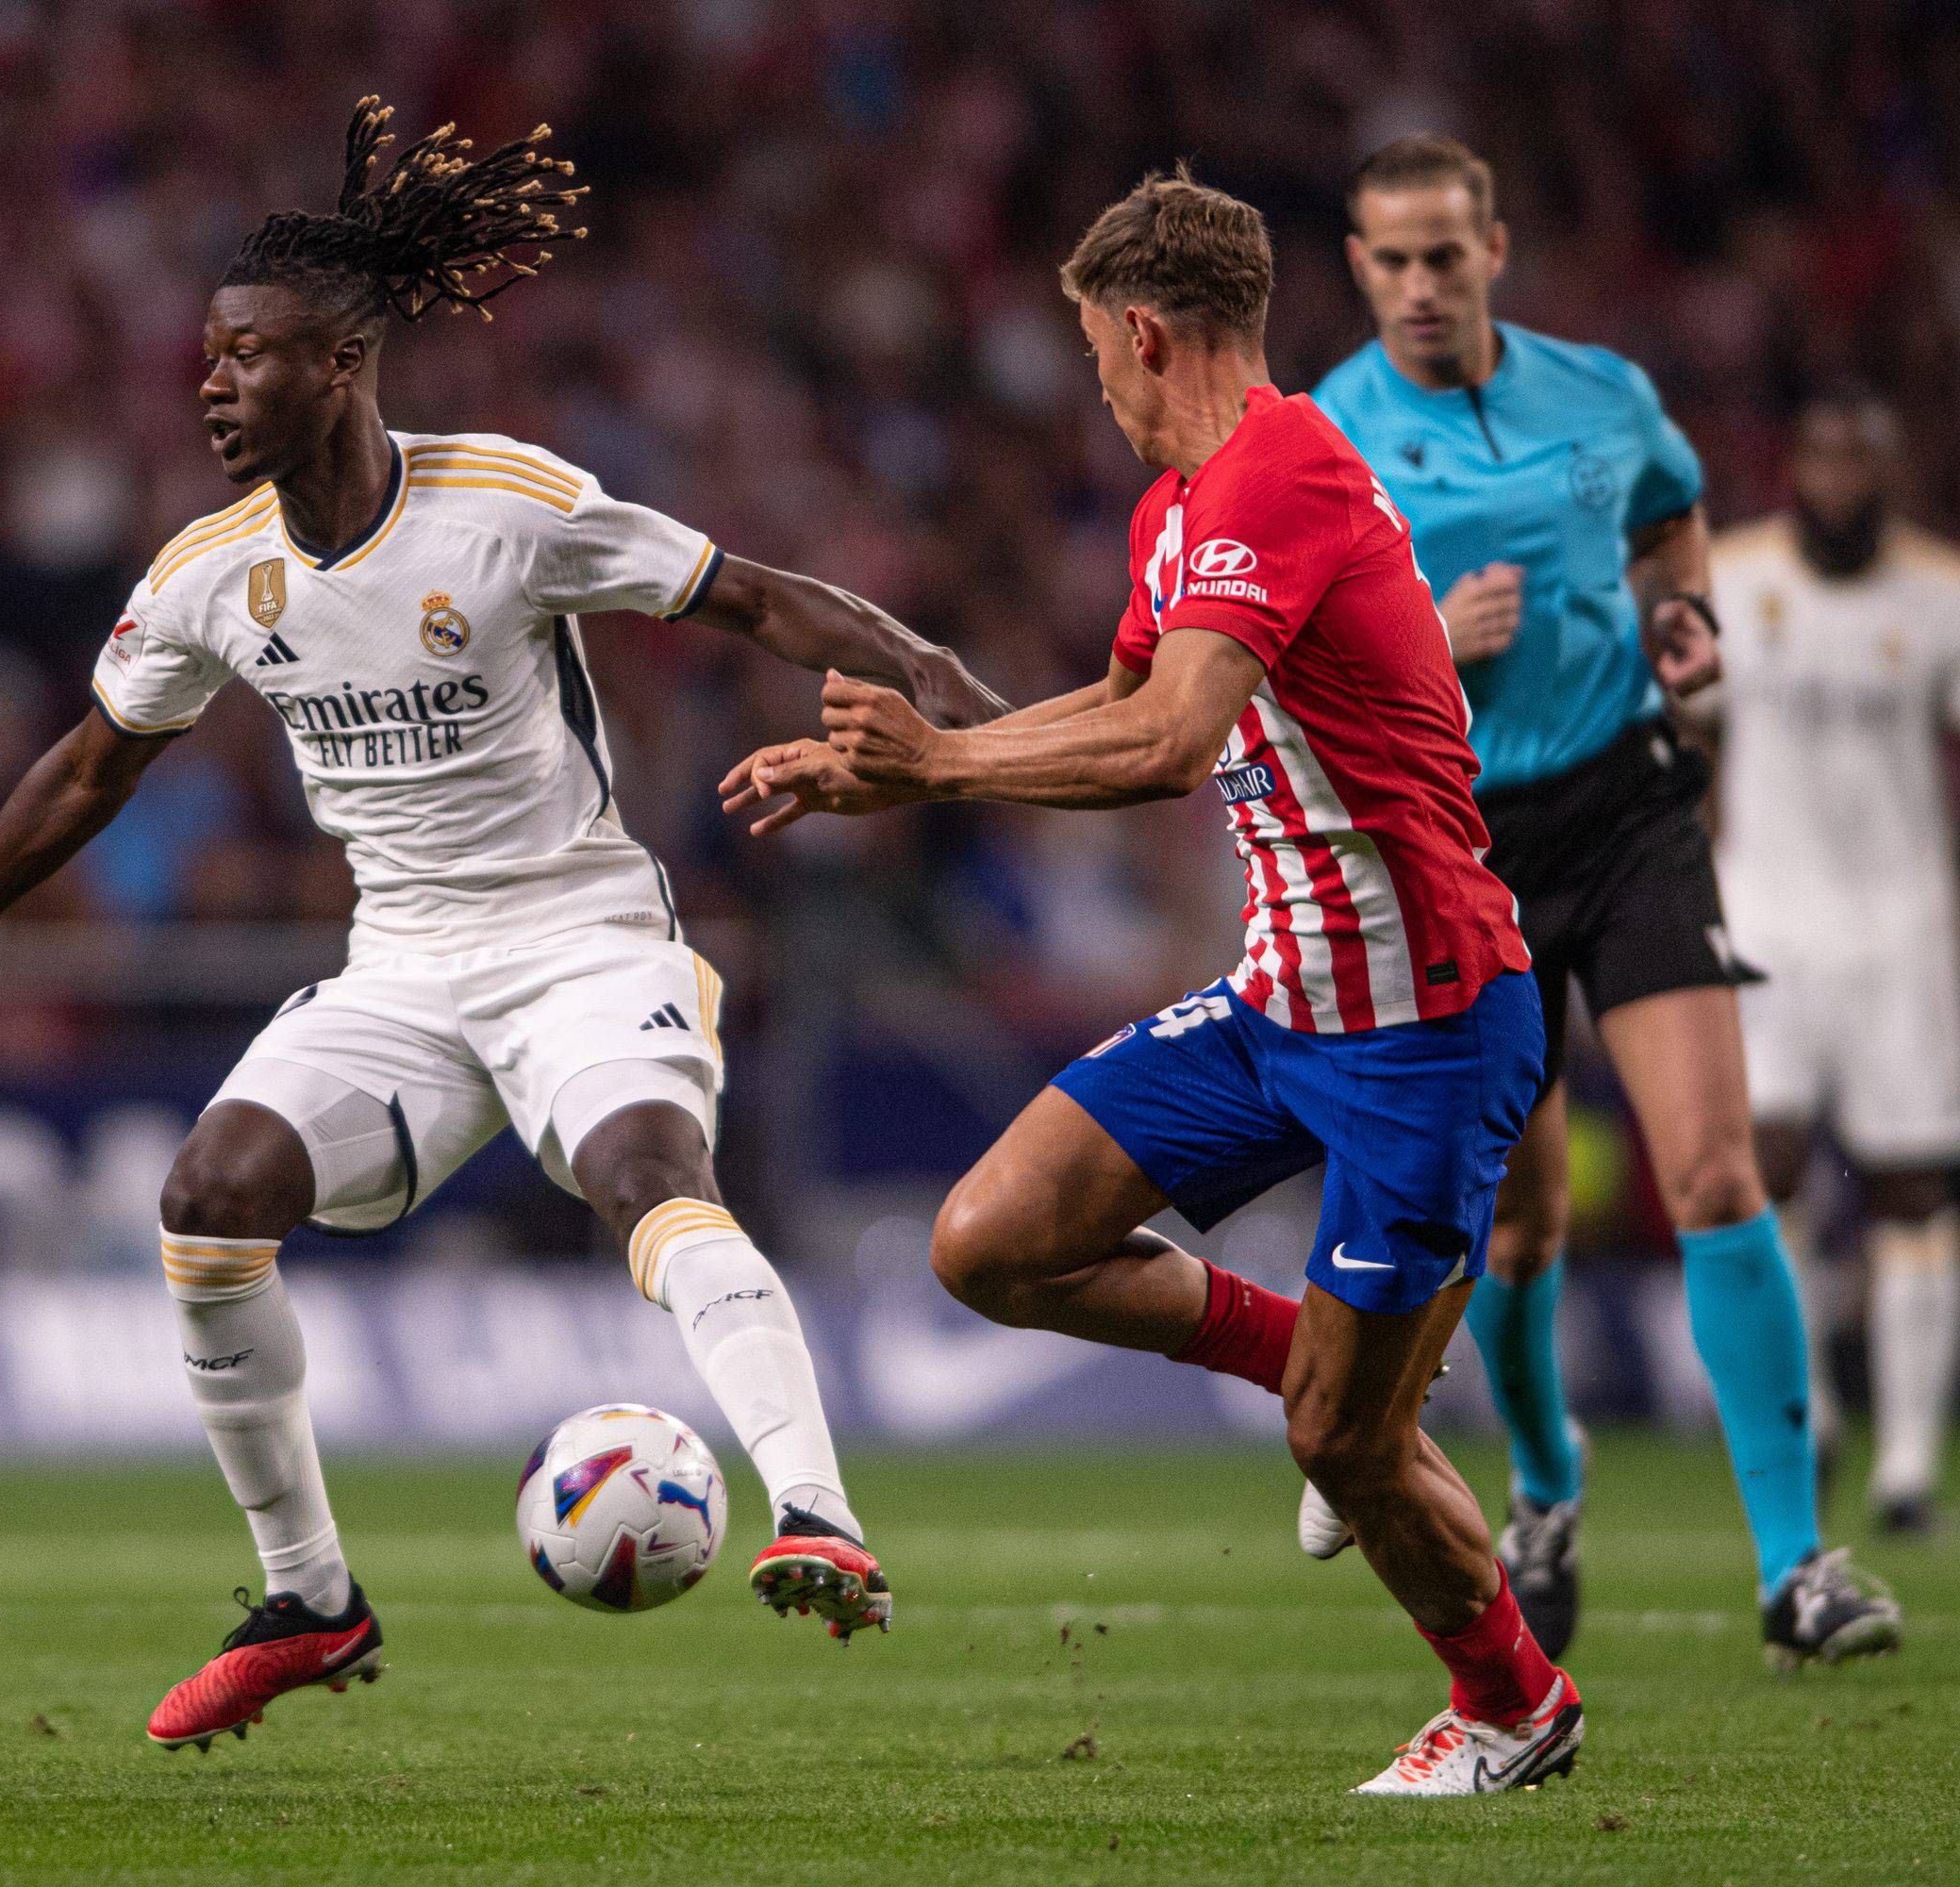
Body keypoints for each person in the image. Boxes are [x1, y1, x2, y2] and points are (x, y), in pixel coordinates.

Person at [0, 98, 1006, 1754]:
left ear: (349, 363)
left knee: (648, 1178)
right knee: (206, 1200)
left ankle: (817, 1512)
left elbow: (757, 594)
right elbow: (93, 767)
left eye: (250, 356)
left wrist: (962, 722)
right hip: (407, 968)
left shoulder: (505, 504)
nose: (215, 385)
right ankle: (310, 1598)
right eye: (211, 357)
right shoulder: (211, 576)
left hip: (585, 940)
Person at [727, 169, 1576, 1796]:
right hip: (1278, 1007)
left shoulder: (1283, 474)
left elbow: (1168, 745)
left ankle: (1516, 1707)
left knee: (1343, 1445)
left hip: (1427, 1027)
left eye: (1094, 357)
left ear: (1139, 333)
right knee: (991, 1240)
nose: (1094, 392)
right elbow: (1112, 704)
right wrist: (916, 775)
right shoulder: (1178, 509)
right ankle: (1318, 1346)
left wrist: (948, 763)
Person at [1303, 134, 1900, 1669]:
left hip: (1628, 811)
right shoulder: (1324, 440)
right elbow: (1287, 667)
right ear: (1359, 268)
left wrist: (1683, 619)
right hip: (1455, 844)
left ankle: (1798, 1567)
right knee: (1521, 1227)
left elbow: (1672, 518)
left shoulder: (1606, 396)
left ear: (1496, 248)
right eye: (1394, 260)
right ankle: (1549, 1488)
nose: (1424, 284)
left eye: (1449, 253)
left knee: (1712, 1174)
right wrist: (1429, 636)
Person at [1705, 392, 1960, 1536]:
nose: (1841, 480)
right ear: (1795, 467)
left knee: (1911, 1182)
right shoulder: (1731, 574)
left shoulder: (1940, 593)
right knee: (1770, 1172)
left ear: (1888, 472)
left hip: (1902, 924)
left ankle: (1907, 1465)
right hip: (1768, 918)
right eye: (1823, 458)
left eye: (1862, 460)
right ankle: (1812, 1422)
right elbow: (1685, 730)